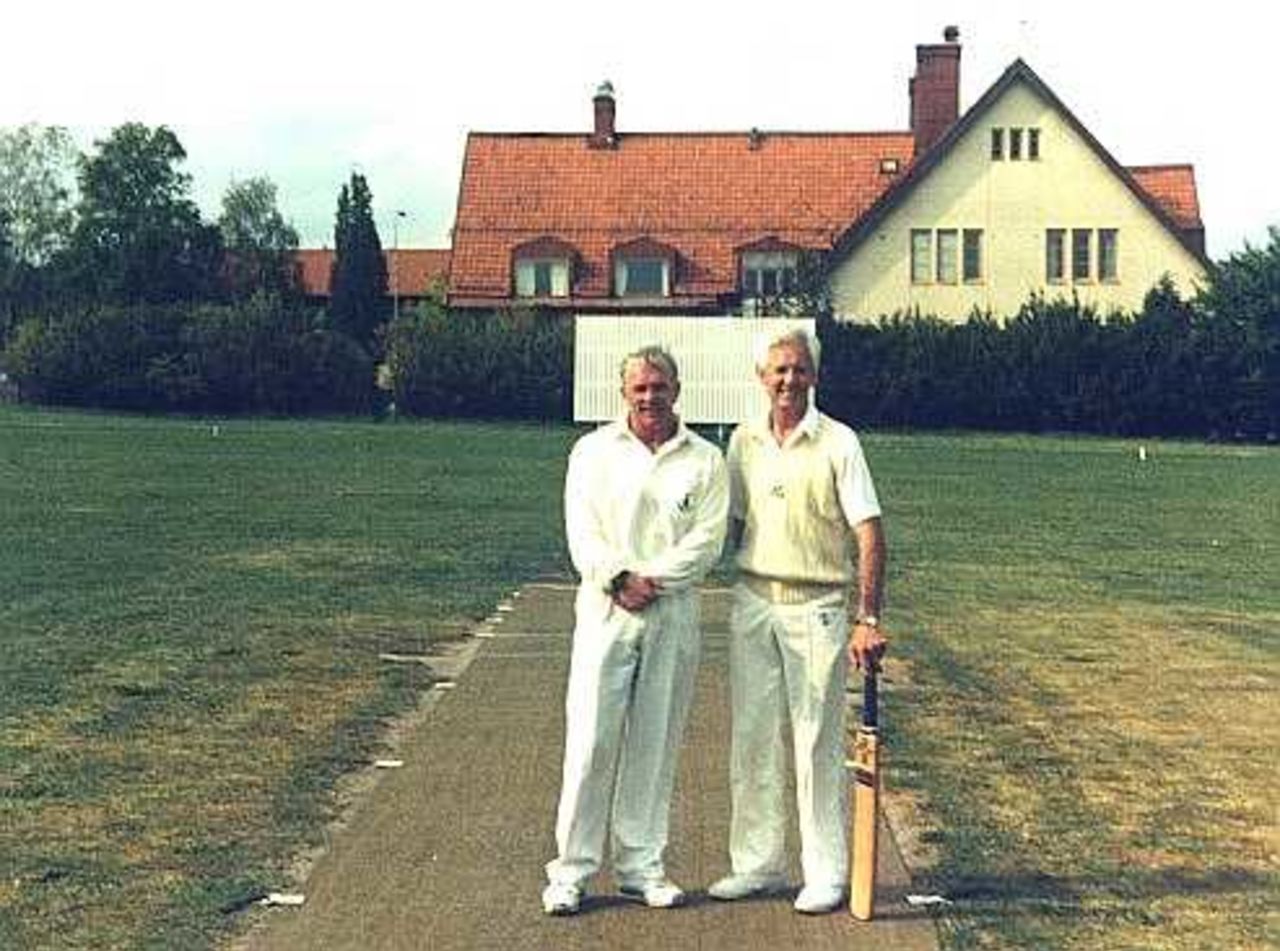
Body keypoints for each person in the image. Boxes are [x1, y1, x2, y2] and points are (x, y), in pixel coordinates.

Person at [542, 345, 729, 916]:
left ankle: (641, 866)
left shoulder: (705, 459)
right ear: (624, 392)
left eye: (660, 387)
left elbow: (708, 541)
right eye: (640, 388)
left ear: (678, 389)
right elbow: (582, 530)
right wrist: (618, 577)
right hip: (606, 611)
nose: (650, 397)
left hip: (671, 615)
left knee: (656, 743)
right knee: (591, 742)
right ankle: (570, 872)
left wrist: (655, 581)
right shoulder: (593, 452)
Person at [708, 325, 887, 915]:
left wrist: (869, 617)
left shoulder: (840, 442)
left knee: (814, 743)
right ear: (762, 378)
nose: (788, 380)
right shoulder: (742, 442)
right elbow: (728, 525)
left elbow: (869, 531)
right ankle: (756, 864)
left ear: (814, 375)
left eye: (798, 369)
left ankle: (826, 872)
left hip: (818, 609)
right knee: (753, 738)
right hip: (754, 602)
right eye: (778, 371)